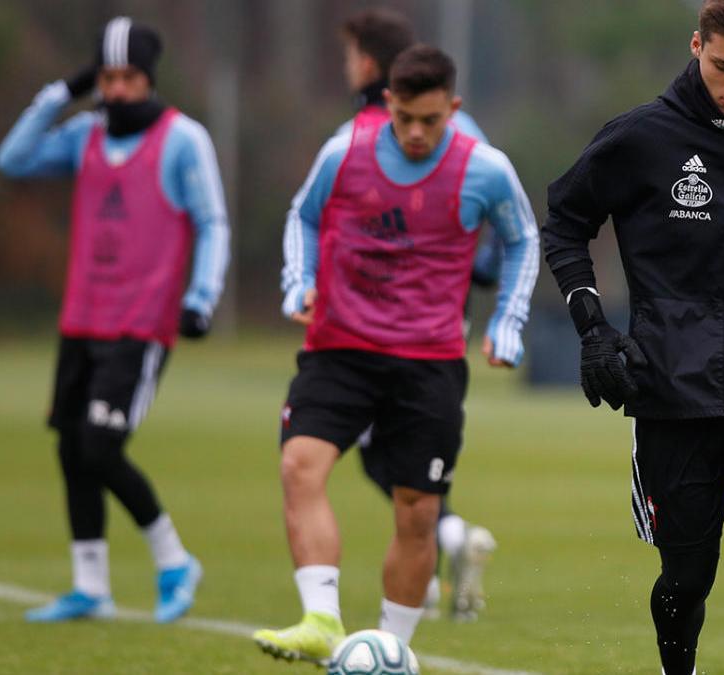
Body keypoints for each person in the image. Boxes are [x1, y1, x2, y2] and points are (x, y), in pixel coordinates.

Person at [542, 1, 724, 672]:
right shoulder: (638, 138)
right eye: (723, 67)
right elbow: (564, 222)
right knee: (687, 578)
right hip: (671, 388)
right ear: (696, 46)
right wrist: (595, 329)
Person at [255, 44, 538, 664]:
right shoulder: (345, 154)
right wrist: (297, 282)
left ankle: (391, 652)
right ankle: (321, 619)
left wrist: (508, 322)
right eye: (404, 116)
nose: (415, 132)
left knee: (417, 511)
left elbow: (522, 238)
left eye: (430, 121)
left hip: (428, 361)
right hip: (341, 345)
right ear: (388, 103)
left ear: (453, 109)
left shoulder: (484, 170)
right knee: (300, 465)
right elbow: (302, 217)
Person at [0, 16, 230, 623]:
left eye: (129, 78)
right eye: (107, 77)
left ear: (149, 79)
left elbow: (212, 223)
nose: (117, 90)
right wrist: (62, 94)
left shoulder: (184, 140)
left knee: (100, 447)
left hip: (139, 325)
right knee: (72, 450)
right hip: (82, 319)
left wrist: (201, 297)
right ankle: (90, 585)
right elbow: (13, 159)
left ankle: (175, 561)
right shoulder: (85, 135)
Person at [338, 8, 501, 622]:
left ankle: (440, 546)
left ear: (372, 64)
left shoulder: (392, 123)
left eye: (351, 54)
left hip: (399, 317)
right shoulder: (435, 118)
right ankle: (436, 552)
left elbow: (493, 188)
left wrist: (482, 261)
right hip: (427, 314)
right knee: (409, 442)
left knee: (383, 446)